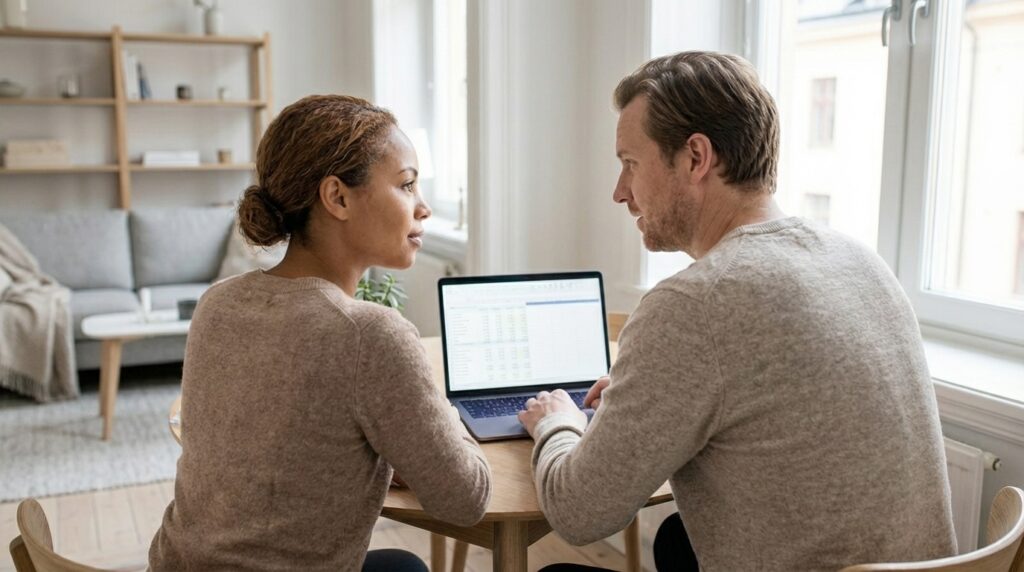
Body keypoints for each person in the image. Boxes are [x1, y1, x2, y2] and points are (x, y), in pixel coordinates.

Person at [518, 51, 956, 571]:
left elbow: (577, 513)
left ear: (696, 158)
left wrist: (558, 422)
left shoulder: (692, 306)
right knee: (678, 540)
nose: (620, 192)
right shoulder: (860, 260)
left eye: (630, 164)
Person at [149, 95, 491, 572]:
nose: (424, 208)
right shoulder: (368, 334)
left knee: (399, 565)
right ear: (338, 197)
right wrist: (444, 411)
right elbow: (466, 499)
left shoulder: (216, 303)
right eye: (407, 185)